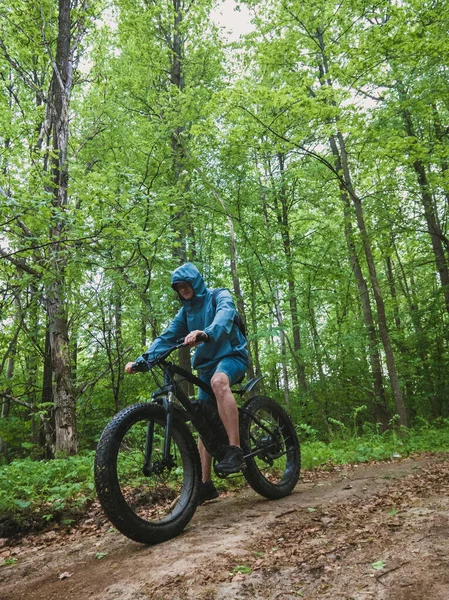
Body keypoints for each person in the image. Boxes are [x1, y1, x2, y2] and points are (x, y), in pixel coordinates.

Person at [125, 262, 249, 504]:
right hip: (206, 365)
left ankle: (235, 450)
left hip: (232, 355)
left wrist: (206, 332)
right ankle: (205, 484)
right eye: (178, 287)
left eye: (185, 284)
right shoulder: (185, 313)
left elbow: (225, 316)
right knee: (202, 419)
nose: (182, 289)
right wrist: (143, 360)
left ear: (195, 281)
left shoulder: (218, 295)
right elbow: (167, 337)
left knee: (219, 381)